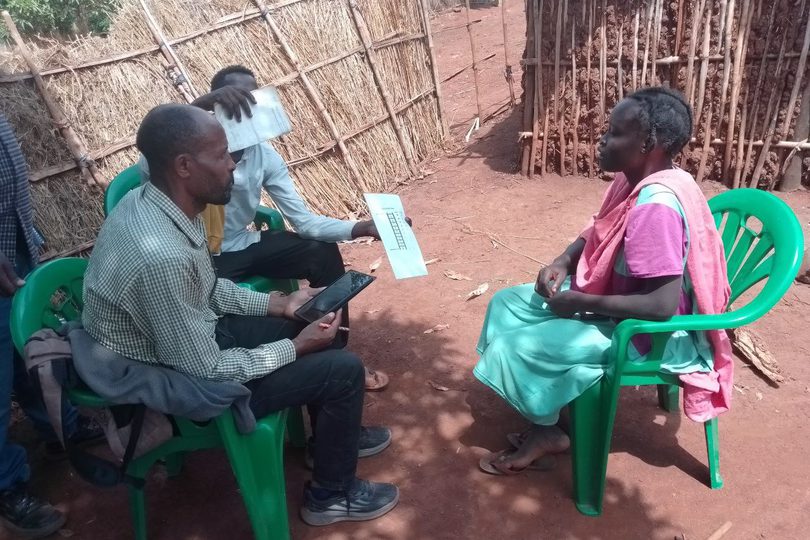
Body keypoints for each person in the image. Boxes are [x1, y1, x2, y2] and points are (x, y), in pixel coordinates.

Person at [83, 104, 399, 525]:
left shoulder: (163, 204)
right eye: (221, 155)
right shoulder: (159, 256)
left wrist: (279, 304)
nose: (233, 163)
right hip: (173, 381)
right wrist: (293, 347)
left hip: (186, 339)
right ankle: (330, 496)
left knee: (304, 321)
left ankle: (329, 443)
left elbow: (206, 288)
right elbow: (208, 371)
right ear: (184, 166)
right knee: (341, 370)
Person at [474, 87, 732, 474]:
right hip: (617, 306)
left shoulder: (654, 210)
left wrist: (580, 302)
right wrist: (564, 259)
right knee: (506, 305)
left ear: (649, 144)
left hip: (649, 335)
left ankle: (549, 428)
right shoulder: (634, 179)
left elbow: (660, 307)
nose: (602, 140)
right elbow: (600, 227)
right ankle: (549, 417)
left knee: (517, 345)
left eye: (614, 133)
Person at [139, 64, 401, 392]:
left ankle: (334, 350)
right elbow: (149, 160)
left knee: (319, 252)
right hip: (195, 258)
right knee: (225, 322)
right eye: (233, 103)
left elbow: (304, 222)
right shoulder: (183, 158)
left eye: (252, 100)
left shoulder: (264, 157)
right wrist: (197, 107)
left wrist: (361, 227)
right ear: (215, 109)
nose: (245, 110)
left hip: (238, 244)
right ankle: (285, 361)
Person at [0, 114, 104, 538]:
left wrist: (27, 235)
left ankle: (60, 428)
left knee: (28, 351)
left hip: (14, 248)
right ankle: (8, 489)